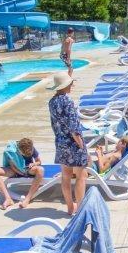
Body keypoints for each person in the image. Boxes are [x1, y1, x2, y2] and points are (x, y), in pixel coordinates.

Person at [48, 71, 88, 215]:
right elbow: (73, 127)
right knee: (81, 176)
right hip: (73, 143)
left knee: (65, 176)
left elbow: (55, 124)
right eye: (70, 83)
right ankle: (81, 209)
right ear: (66, 85)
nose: (72, 84)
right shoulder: (67, 101)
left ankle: (70, 207)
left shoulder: (52, 102)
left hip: (60, 142)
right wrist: (81, 144)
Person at [0, 137, 44, 210]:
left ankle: (27, 199)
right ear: (19, 150)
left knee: (40, 170)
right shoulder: (12, 150)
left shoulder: (31, 147)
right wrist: (20, 172)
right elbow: (12, 166)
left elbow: (39, 161)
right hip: (14, 169)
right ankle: (8, 199)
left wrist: (34, 164)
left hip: (28, 169)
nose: (28, 154)